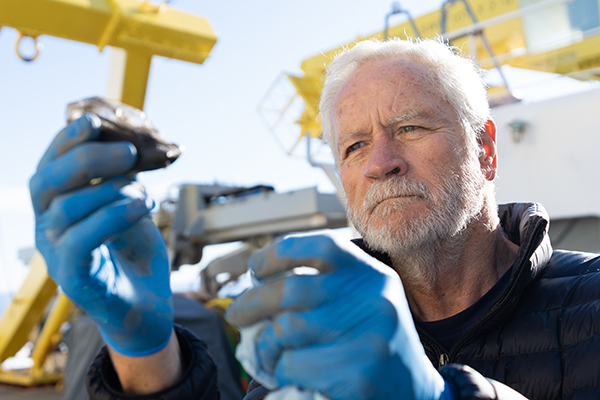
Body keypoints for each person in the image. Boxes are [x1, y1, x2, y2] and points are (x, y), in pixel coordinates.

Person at [29, 38, 600, 400]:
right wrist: (146, 353)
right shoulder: (309, 332)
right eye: (353, 146)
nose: (380, 162)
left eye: (409, 128)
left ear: (485, 149)